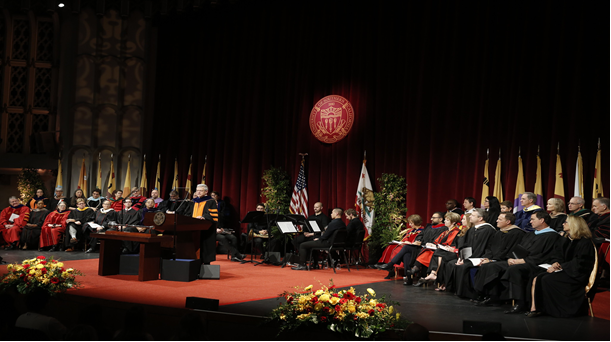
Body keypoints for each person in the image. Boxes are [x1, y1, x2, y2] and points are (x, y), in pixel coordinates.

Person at [528, 216, 595, 318]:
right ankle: (537, 308)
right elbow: (558, 255)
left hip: (576, 274)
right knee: (538, 276)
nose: (563, 224)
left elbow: (580, 262)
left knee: (547, 279)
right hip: (566, 269)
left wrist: (561, 267)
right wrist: (556, 262)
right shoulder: (567, 240)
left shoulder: (584, 242)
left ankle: (552, 310)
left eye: (566, 222)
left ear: (574, 225)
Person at [499, 211, 560, 314]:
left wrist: (523, 261)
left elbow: (544, 255)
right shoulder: (530, 234)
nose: (530, 221)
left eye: (532, 219)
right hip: (522, 261)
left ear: (542, 220)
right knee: (498, 266)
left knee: (515, 269)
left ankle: (520, 303)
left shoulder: (552, 236)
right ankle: (500, 298)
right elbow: (519, 249)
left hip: (537, 264)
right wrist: (511, 258)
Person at [378, 212, 447, 285]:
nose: (431, 219)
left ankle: (391, 265)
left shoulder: (444, 229)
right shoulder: (429, 227)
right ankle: (408, 278)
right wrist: (418, 241)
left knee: (407, 248)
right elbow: (420, 235)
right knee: (407, 254)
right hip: (421, 247)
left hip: (430, 249)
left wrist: (423, 243)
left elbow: (438, 240)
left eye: (434, 218)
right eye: (431, 217)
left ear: (440, 219)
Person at [444, 209, 497, 296]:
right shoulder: (472, 230)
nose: (470, 217)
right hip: (470, 257)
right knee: (453, 264)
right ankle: (456, 291)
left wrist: (468, 260)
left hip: (481, 257)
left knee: (464, 266)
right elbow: (465, 245)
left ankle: (471, 294)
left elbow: (483, 248)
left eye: (472, 215)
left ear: (480, 218)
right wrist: (461, 258)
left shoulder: (488, 230)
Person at [412, 212, 462, 287]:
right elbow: (437, 241)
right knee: (428, 250)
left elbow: (449, 244)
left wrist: (438, 246)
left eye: (447, 220)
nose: (445, 221)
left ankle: (431, 273)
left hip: (451, 253)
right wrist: (432, 244)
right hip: (442, 250)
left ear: (453, 222)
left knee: (436, 252)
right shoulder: (446, 231)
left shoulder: (456, 232)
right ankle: (429, 273)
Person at [182, 184, 220, 265]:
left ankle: (206, 263)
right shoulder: (193, 201)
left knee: (205, 245)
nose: (198, 192)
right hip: (193, 227)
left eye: (201, 190)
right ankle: (194, 262)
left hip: (206, 228)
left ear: (206, 192)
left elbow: (213, 215)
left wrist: (204, 217)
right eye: (197, 190)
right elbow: (187, 213)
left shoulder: (210, 201)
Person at [377, 214, 424, 279]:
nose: (409, 225)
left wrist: (409, 243)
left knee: (399, 250)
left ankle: (390, 265)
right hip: (407, 247)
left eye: (411, 223)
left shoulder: (422, 231)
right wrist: (403, 242)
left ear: (416, 222)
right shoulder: (411, 231)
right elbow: (405, 238)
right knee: (391, 247)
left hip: (415, 248)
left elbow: (418, 242)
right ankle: (393, 271)